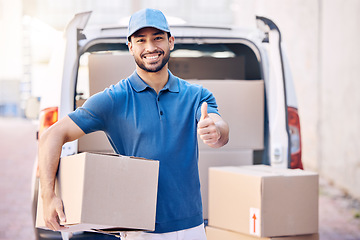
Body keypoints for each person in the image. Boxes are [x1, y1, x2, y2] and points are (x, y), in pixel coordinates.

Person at [39, 8, 229, 240]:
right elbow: (52, 135)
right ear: (130, 46)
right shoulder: (114, 99)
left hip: (191, 226)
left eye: (157, 38)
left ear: (171, 41)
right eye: (141, 40)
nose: (150, 47)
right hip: (139, 228)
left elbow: (221, 130)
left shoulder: (197, 96)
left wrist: (215, 132)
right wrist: (48, 196)